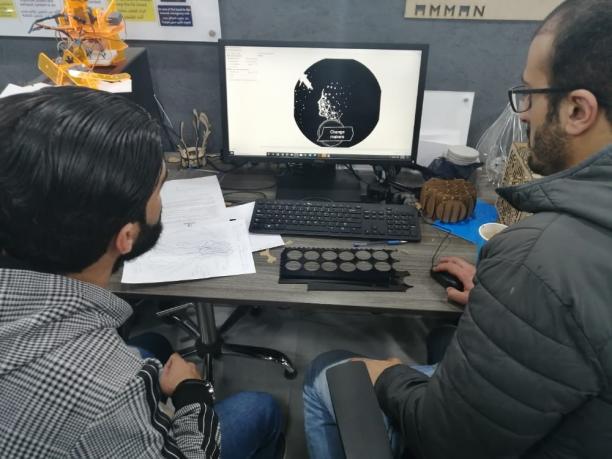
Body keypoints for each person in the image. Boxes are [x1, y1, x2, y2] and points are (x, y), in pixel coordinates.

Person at [303, 0, 612, 457]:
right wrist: (507, 301)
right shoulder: (546, 267)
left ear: (577, 110)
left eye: (529, 92)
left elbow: (445, 440)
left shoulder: (540, 261)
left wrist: (387, 371)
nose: (522, 113)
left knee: (328, 369)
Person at [0, 86, 283, 458]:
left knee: (153, 347)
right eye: (161, 186)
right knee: (261, 408)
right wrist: (191, 393)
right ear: (126, 236)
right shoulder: (110, 394)